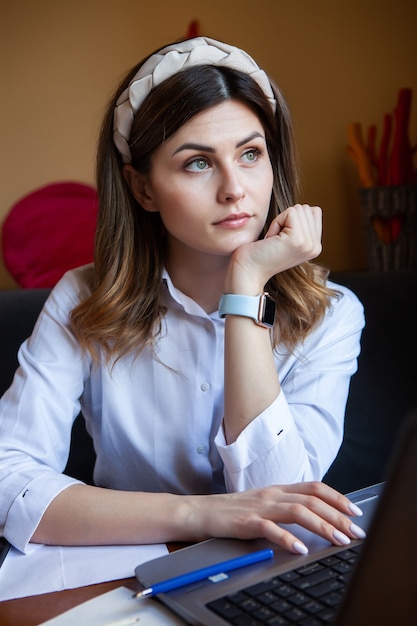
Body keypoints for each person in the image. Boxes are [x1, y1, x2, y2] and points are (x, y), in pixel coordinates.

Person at [0, 37, 366, 556]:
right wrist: (201, 514)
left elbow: (283, 496)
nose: (235, 188)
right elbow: (7, 478)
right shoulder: (81, 298)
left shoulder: (334, 314)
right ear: (143, 189)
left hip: (265, 580)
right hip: (124, 578)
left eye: (250, 154)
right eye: (198, 163)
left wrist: (246, 287)